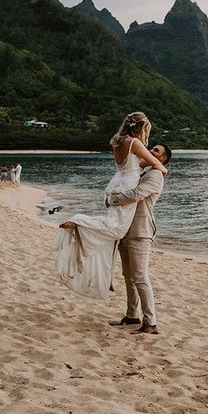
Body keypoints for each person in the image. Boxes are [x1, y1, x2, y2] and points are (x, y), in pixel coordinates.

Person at [53, 112, 167, 299]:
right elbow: (153, 161)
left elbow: (138, 163)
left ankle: (106, 277)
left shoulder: (118, 142)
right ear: (140, 127)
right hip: (127, 186)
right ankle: (80, 222)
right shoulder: (134, 143)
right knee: (116, 229)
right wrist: (163, 169)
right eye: (146, 129)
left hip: (116, 183)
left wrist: (152, 165)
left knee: (112, 226)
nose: (146, 134)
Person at [109, 143, 172, 334]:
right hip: (126, 229)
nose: (150, 151)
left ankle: (151, 322)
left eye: (155, 151)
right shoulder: (141, 172)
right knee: (128, 276)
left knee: (140, 276)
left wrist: (112, 198)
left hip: (141, 231)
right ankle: (131, 316)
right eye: (151, 148)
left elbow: (136, 195)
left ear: (161, 159)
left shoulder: (156, 175)